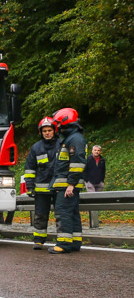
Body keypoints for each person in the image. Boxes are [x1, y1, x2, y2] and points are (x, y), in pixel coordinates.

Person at [48, 108, 87, 254]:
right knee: (72, 213)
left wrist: (71, 184)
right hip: (67, 184)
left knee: (63, 213)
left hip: (67, 185)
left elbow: (77, 163)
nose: (56, 126)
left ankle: (64, 244)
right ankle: (75, 242)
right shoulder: (72, 138)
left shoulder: (74, 139)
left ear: (65, 121)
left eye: (58, 123)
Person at [23, 116, 61, 250]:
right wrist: (30, 186)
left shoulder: (61, 145)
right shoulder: (36, 148)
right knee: (40, 215)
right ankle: (38, 240)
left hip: (58, 187)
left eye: (49, 130)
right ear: (41, 132)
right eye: (44, 131)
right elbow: (29, 168)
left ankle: (61, 241)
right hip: (41, 189)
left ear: (54, 131)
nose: (47, 133)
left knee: (60, 215)